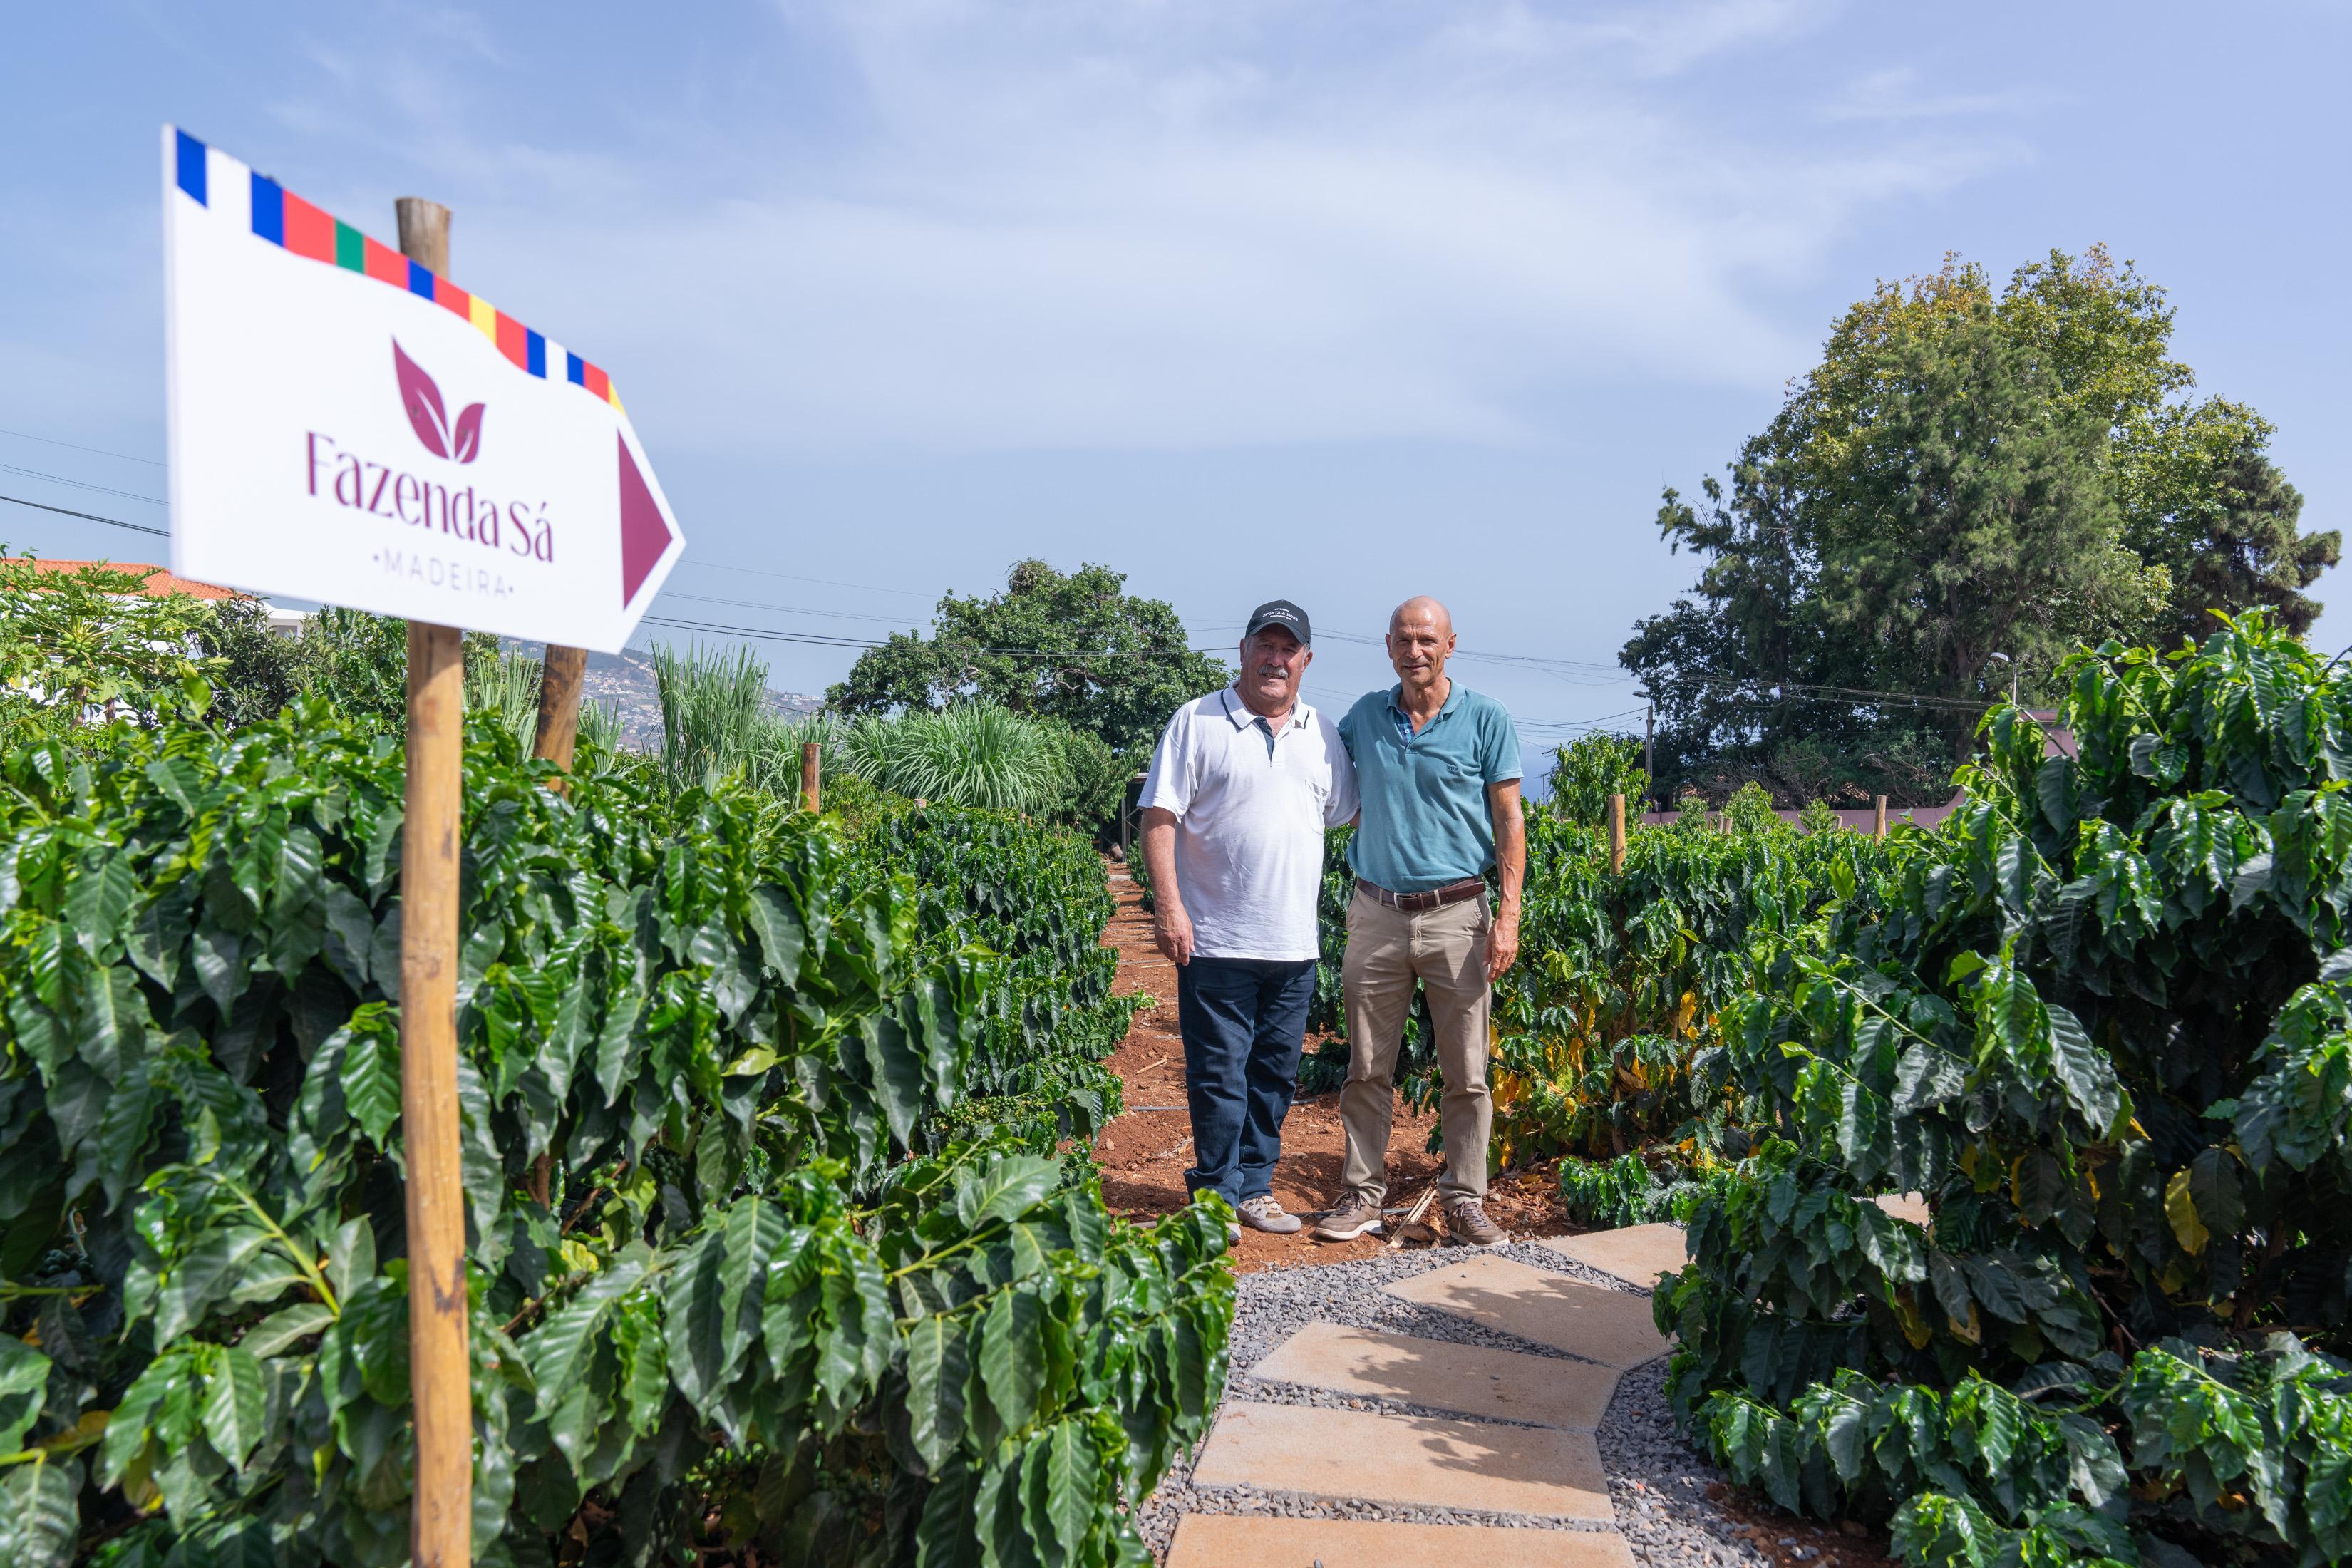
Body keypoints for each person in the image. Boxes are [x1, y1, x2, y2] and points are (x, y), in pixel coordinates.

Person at [1138, 599, 1357, 1242]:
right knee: (1217, 1073)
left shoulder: (1323, 734)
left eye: (1288, 650)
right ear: (1242, 650)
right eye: (1265, 645)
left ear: (1306, 661)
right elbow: (1159, 818)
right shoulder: (1197, 721)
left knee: (1273, 1076)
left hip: (1294, 945)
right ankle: (1213, 1192)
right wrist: (1169, 906)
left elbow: (1346, 813)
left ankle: (1256, 1187)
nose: (1275, 659)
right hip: (1214, 938)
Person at [1314, 596, 1524, 1249]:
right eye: (1404, 639)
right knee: (1366, 1067)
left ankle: (1465, 1199)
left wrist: (1508, 914)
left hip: (1459, 915)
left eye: (1427, 639)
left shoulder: (1486, 719)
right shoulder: (1363, 718)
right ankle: (1362, 1194)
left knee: (1466, 1073)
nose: (1415, 650)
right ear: (1388, 647)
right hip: (1376, 912)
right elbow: (1319, 779)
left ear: (1450, 645)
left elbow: (1509, 820)